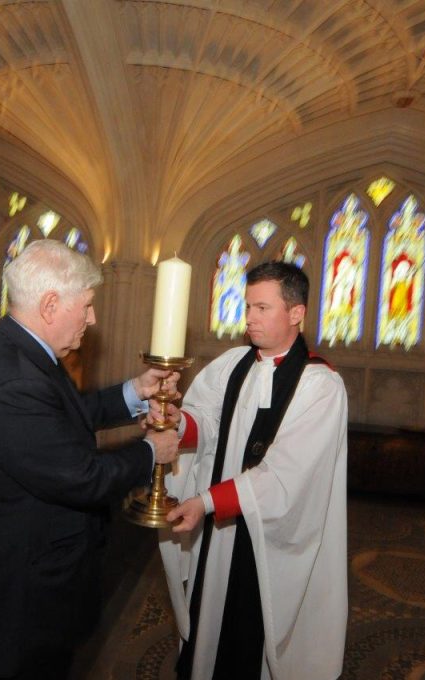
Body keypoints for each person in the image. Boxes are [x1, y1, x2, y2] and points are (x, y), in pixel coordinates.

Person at [0, 239, 181, 679]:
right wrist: (150, 452)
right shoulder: (15, 380)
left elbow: (64, 416)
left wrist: (134, 391)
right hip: (19, 588)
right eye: (87, 306)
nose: (92, 318)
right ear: (49, 305)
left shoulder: (19, 348)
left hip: (23, 570)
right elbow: (81, 478)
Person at [159, 261, 349, 679]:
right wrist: (174, 423)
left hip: (268, 539)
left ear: (296, 313)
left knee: (250, 639)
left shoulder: (320, 386)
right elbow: (205, 423)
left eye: (262, 308)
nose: (249, 318)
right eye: (248, 306)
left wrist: (207, 502)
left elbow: (287, 475)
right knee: (208, 628)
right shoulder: (232, 364)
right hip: (215, 530)